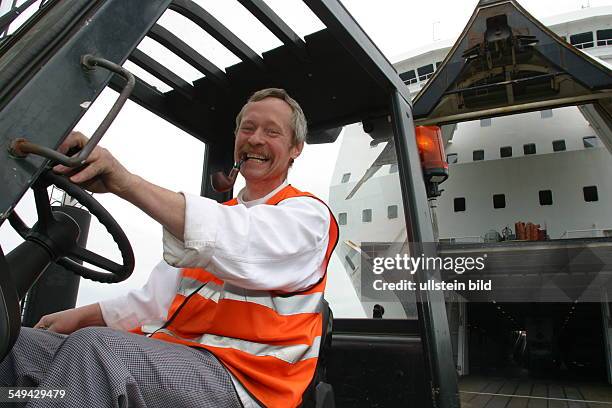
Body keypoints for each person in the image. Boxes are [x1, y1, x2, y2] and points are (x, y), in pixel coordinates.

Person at [0, 88, 338, 408]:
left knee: (97, 352)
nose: (255, 139)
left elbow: (241, 241)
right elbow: (153, 302)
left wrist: (125, 182)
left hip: (247, 383)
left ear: (296, 148)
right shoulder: (215, 218)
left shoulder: (308, 217)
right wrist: (77, 316)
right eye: (247, 128)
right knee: (18, 345)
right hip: (179, 359)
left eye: (272, 132)